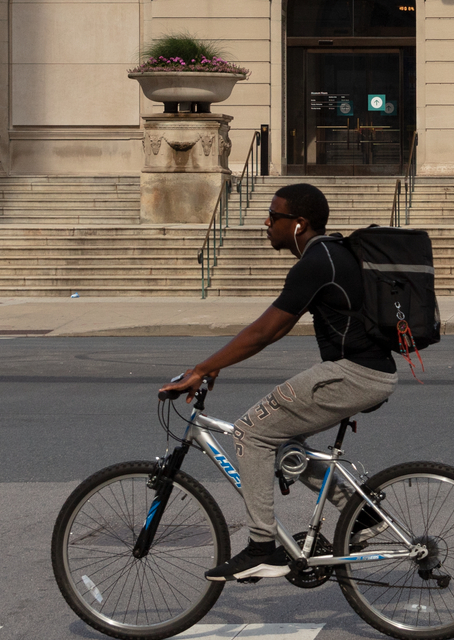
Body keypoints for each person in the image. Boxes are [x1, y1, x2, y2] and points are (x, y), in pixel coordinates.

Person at [160, 182, 397, 584]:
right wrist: (218, 364)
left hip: (354, 373)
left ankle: (260, 548)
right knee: (284, 443)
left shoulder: (316, 261)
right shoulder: (328, 252)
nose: (266, 223)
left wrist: (202, 368)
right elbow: (274, 329)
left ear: (299, 223)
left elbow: (265, 332)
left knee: (251, 433)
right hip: (365, 373)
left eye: (274, 216)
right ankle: (364, 516)